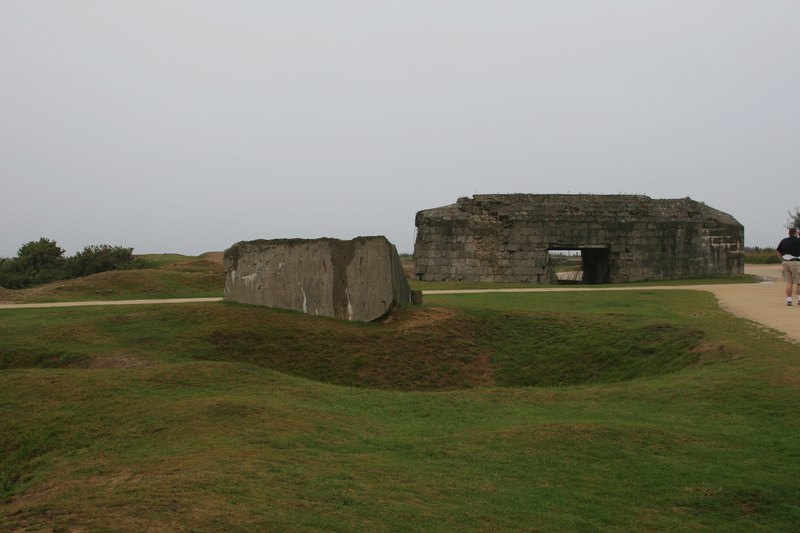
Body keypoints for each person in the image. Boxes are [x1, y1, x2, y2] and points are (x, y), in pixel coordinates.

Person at [776, 228, 800, 305]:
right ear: (795, 233)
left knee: (789, 283)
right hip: (795, 262)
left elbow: (778, 251)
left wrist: (781, 260)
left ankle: (789, 300)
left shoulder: (784, 240)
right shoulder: (798, 240)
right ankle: (799, 300)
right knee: (799, 283)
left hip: (785, 262)